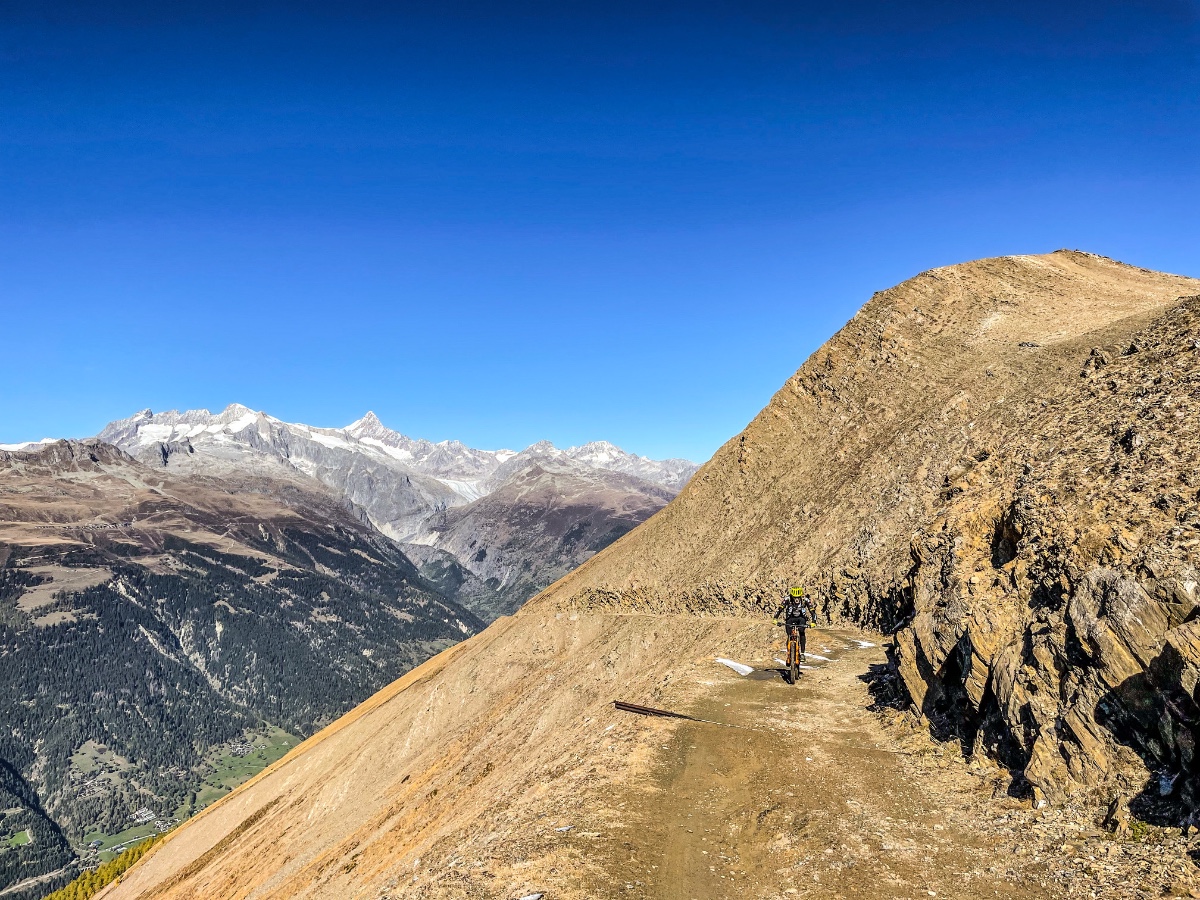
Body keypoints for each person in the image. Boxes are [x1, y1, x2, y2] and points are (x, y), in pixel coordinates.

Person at [774, 586, 817, 662]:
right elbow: (780, 609)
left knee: (802, 632)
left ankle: (802, 653)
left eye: (798, 597)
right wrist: (775, 618)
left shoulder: (805, 600)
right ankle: (789, 654)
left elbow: (812, 611)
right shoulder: (787, 599)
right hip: (790, 618)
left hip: (801, 618)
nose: (796, 599)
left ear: (800, 596)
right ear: (792, 596)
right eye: (794, 597)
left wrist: (814, 622)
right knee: (789, 635)